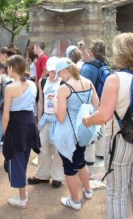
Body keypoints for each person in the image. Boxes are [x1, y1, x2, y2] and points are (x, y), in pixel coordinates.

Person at [82, 32, 133, 219]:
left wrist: (88, 120)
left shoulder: (115, 79)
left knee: (117, 192)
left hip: (121, 141)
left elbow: (104, 115)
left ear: (119, 53)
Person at [53, 57, 99, 210]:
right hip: (84, 132)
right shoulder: (88, 82)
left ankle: (75, 201)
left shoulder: (64, 88)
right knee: (81, 161)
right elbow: (97, 105)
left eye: (60, 74)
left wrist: (54, 103)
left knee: (70, 168)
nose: (60, 77)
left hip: (68, 134)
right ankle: (88, 190)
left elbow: (60, 117)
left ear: (65, 71)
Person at [2, 55, 40, 209]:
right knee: (23, 159)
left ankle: (22, 197)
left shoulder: (10, 87)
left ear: (12, 68)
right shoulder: (32, 84)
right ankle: (22, 193)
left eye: (8, 66)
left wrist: (6, 134)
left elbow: (6, 115)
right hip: (30, 123)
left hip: (16, 125)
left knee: (16, 161)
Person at [27, 56, 64, 188]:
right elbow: (40, 102)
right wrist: (38, 122)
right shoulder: (42, 82)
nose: (53, 74)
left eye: (56, 71)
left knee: (58, 149)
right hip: (46, 119)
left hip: (59, 120)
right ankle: (42, 174)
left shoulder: (63, 82)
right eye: (51, 71)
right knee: (42, 147)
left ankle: (57, 176)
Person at [81, 39, 107, 164]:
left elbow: (83, 87)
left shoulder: (87, 67)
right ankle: (101, 152)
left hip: (90, 101)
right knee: (101, 124)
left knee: (89, 126)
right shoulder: (105, 65)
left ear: (91, 52)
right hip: (103, 100)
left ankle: (89, 158)